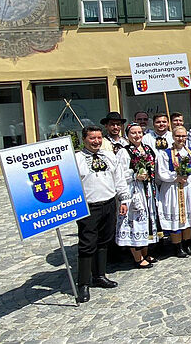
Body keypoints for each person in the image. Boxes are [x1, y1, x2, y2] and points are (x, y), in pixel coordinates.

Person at [74, 125, 131, 303]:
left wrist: (123, 199)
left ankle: (99, 275)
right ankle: (83, 283)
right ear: (84, 139)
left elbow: (119, 178)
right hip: (89, 207)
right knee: (87, 244)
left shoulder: (109, 156)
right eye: (92, 138)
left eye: (99, 138)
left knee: (104, 241)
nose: (96, 141)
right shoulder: (77, 159)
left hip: (108, 203)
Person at [115, 123, 159, 269]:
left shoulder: (147, 148)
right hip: (134, 190)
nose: (137, 135)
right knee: (135, 221)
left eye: (139, 132)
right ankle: (137, 257)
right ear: (128, 135)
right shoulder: (124, 152)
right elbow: (120, 174)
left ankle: (145, 252)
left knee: (146, 221)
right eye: (133, 133)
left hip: (148, 189)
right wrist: (135, 175)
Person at [156, 126, 191, 258]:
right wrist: (176, 177)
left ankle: (187, 243)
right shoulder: (165, 153)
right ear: (173, 137)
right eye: (178, 136)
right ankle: (177, 246)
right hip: (172, 188)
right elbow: (161, 173)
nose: (181, 139)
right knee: (176, 214)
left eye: (183, 136)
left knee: (188, 214)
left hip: (188, 186)